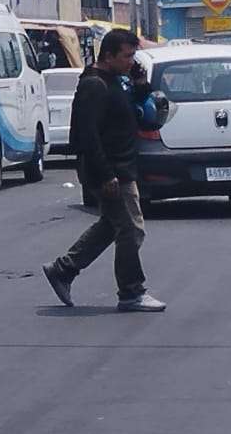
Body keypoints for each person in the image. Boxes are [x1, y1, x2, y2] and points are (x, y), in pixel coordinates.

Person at [42, 28, 165, 312]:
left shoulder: (115, 81)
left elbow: (137, 110)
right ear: (108, 56)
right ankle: (131, 292)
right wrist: (106, 174)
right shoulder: (94, 86)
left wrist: (140, 83)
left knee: (112, 225)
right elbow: (88, 136)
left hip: (123, 166)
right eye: (127, 56)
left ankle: (63, 269)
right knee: (131, 229)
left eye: (133, 56)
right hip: (111, 170)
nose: (131, 61)